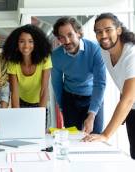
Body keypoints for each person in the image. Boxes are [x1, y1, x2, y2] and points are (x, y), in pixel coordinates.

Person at [82, 13, 135, 159]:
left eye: (108, 29)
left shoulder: (131, 53)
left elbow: (128, 99)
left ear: (118, 30)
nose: (103, 35)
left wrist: (105, 135)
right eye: (99, 32)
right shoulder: (105, 51)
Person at [51, 17, 106, 134]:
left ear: (79, 33)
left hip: (92, 96)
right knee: (72, 137)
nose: (66, 41)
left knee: (95, 136)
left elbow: (100, 83)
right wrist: (63, 107)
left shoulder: (95, 50)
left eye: (70, 35)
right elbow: (57, 83)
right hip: (70, 99)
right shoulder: (56, 56)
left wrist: (92, 114)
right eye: (61, 37)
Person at [2, 24, 52, 108]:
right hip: (21, 101)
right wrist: (17, 112)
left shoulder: (45, 59)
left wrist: (40, 113)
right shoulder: (12, 62)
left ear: (36, 43)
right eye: (22, 41)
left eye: (30, 41)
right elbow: (14, 92)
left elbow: (44, 90)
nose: (26, 46)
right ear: (16, 44)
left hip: (41, 101)